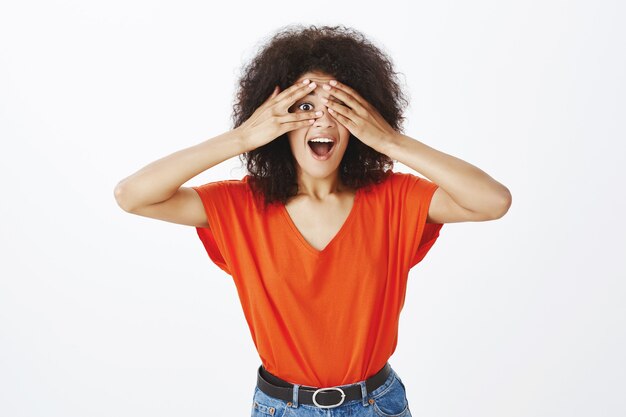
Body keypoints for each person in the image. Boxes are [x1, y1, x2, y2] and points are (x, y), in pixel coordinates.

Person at [114, 24, 512, 417]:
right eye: (304, 107)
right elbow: (132, 196)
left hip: (378, 405)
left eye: (339, 107)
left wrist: (390, 140)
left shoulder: (395, 198)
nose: (322, 121)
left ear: (364, 117)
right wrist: (240, 138)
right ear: (275, 120)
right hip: (281, 408)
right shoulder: (240, 205)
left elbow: (492, 202)